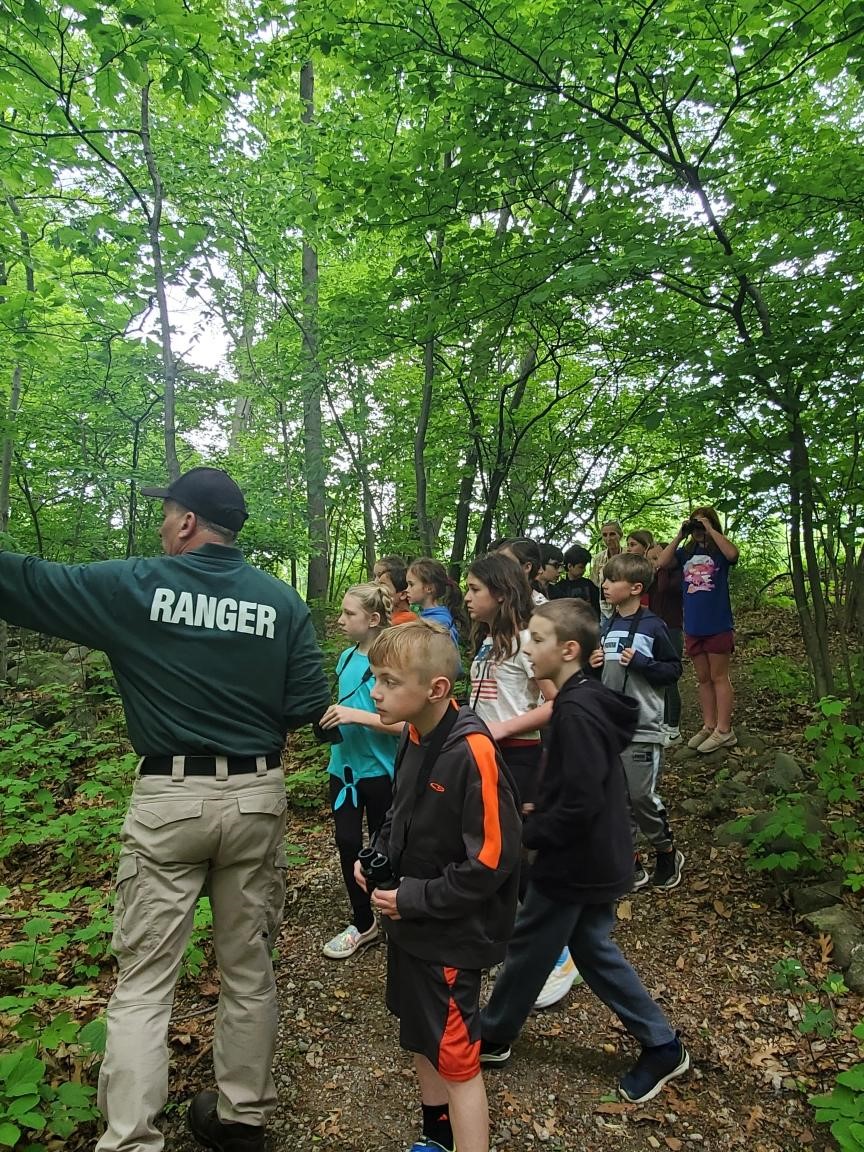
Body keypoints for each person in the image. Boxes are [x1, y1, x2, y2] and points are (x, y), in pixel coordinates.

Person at [0, 466, 333, 1152]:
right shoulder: (281, 602)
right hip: (257, 798)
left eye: (166, 514)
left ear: (186, 523)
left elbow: (29, 582)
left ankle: (130, 1139)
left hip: (170, 801)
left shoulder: (136, 586)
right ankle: (243, 1119)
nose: (160, 525)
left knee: (146, 981)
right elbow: (308, 708)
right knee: (248, 968)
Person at [479, 599, 690, 1105]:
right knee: (588, 948)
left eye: (537, 639)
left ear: (569, 649)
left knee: (532, 942)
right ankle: (660, 1044)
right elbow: (582, 783)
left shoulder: (575, 711)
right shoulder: (586, 698)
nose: (528, 647)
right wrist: (544, 806)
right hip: (595, 853)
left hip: (578, 860)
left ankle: (492, 1034)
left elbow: (582, 799)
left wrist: (534, 829)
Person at [355, 620, 521, 1152]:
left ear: (437, 689)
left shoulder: (472, 751)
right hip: (410, 927)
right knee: (420, 1035)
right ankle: (436, 1137)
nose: (375, 692)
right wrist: (377, 858)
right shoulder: (413, 733)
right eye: (373, 678)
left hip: (450, 934)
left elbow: (493, 860)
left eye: (387, 681)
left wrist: (413, 897)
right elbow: (398, 816)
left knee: (457, 1060)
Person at [464, 552, 580, 1010]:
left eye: (475, 590)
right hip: (485, 757)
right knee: (493, 852)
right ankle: (518, 938)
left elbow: (556, 703)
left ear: (501, 591)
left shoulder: (528, 641)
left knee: (517, 856)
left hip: (519, 758)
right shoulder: (490, 641)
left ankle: (561, 955)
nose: (468, 597)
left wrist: (499, 730)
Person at [318, 583, 403, 959]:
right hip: (344, 772)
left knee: (388, 849)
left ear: (372, 619)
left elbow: (407, 724)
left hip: (382, 773)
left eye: (348, 614)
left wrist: (357, 716)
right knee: (347, 843)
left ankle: (399, 917)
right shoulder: (346, 659)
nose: (340, 620)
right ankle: (363, 921)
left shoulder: (394, 663)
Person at [590, 553, 684, 891]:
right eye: (604, 579)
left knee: (641, 796)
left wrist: (644, 663)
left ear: (635, 588)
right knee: (615, 798)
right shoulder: (607, 626)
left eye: (611, 580)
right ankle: (630, 863)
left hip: (643, 726)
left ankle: (666, 851)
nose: (604, 585)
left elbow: (673, 670)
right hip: (610, 729)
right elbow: (601, 674)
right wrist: (594, 663)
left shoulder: (653, 626)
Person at [655, 509, 740, 753]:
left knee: (719, 677)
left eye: (702, 525)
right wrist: (681, 534)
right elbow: (661, 563)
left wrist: (711, 530)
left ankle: (725, 730)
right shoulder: (685, 553)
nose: (699, 531)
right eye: (697, 526)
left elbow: (733, 554)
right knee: (703, 679)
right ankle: (709, 724)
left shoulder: (719, 553)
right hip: (693, 625)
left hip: (717, 624)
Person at [647, 543, 684, 746]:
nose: (655, 563)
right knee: (657, 678)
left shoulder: (675, 575)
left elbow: (664, 588)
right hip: (655, 629)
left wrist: (662, 567)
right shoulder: (651, 578)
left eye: (658, 558)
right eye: (651, 559)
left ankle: (674, 728)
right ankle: (662, 723)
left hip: (672, 629)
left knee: (670, 679)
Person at [406, 557, 465, 647]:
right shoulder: (428, 616)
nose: (407, 590)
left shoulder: (439, 622)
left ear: (429, 588)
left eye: (411, 584)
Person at [549, 543, 601, 618]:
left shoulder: (589, 585)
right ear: (569, 566)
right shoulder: (558, 588)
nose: (584, 570)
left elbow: (596, 609)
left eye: (585, 567)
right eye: (581, 567)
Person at [491, 537, 547, 605]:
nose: (499, 566)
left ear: (527, 567)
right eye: (498, 561)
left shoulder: (541, 608)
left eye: (505, 561)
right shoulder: (493, 598)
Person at [589, 520, 624, 620]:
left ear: (620, 535)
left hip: (625, 605)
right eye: (604, 535)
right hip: (605, 609)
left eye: (612, 534)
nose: (608, 538)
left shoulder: (628, 555)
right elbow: (595, 584)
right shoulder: (598, 559)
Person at [373, 555, 417, 624]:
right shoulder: (388, 617)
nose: (375, 582)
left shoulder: (406, 620)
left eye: (383, 585)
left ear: (403, 594)